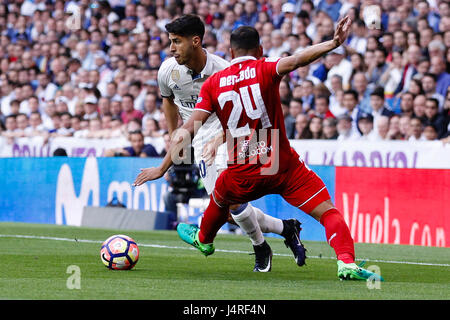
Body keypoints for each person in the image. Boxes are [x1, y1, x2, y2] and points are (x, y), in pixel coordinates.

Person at [134, 18, 383, 281]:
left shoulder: (215, 81)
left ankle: (205, 239)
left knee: (220, 198)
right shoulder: (266, 68)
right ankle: (346, 262)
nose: (172, 48)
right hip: (281, 163)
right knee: (328, 212)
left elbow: (187, 130)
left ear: (230, 53)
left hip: (241, 166)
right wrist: (333, 43)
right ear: (260, 50)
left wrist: (163, 167)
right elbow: (298, 59)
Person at [135, 14, 305, 272]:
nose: (171, 49)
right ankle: (286, 228)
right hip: (197, 137)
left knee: (230, 199)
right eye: (170, 42)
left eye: (176, 42)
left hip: (228, 135)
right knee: (225, 208)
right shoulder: (167, 71)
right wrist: (173, 134)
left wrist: (219, 138)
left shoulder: (224, 69)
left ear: (195, 41)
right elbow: (168, 100)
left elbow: (243, 113)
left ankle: (261, 247)